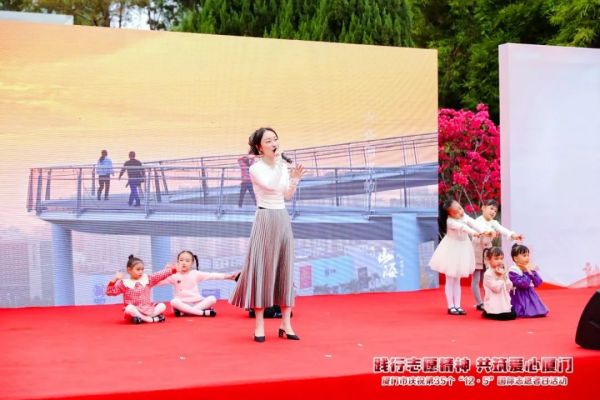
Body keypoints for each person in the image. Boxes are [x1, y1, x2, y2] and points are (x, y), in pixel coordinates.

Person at [229, 127, 305, 342]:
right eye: (269, 140)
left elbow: (286, 194)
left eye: (275, 139)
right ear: (259, 147)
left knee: (284, 268)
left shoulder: (282, 166)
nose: (274, 143)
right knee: (262, 269)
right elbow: (271, 185)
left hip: (282, 217)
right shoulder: (256, 168)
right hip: (264, 218)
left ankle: (286, 324)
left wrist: (295, 179)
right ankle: (259, 325)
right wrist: (281, 165)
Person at [429, 199, 493, 315]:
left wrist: (486, 231)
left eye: (460, 208)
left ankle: (458, 305)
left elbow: (474, 223)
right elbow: (463, 227)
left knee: (457, 279)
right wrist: (474, 233)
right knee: (450, 279)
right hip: (451, 250)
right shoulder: (450, 222)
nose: (460, 211)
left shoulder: (464, 216)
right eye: (456, 211)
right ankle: (451, 306)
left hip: (462, 249)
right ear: (450, 214)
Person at [472, 199, 523, 310]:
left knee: (489, 276)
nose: (493, 212)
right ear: (483, 208)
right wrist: (487, 233)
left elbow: (503, 230)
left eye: (495, 210)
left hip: (488, 252)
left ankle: (489, 301)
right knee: (476, 278)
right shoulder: (477, 221)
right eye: (491, 208)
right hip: (477, 251)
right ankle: (479, 303)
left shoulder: (494, 223)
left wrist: (513, 235)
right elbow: (478, 232)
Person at [159, 250, 239, 317]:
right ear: (178, 262)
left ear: (192, 263)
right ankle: (201, 313)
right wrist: (165, 272)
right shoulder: (174, 275)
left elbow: (211, 275)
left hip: (197, 302)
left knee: (212, 299)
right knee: (174, 302)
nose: (184, 263)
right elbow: (158, 283)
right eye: (181, 260)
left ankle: (187, 312)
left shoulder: (195, 274)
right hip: (182, 303)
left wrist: (228, 277)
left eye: (187, 261)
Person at [105, 255, 176, 324]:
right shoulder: (124, 283)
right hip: (134, 311)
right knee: (129, 308)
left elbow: (159, 274)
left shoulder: (148, 279)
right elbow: (109, 292)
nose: (141, 272)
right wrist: (115, 279)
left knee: (162, 306)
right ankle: (151, 319)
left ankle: (143, 318)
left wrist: (173, 270)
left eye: (142, 269)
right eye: (138, 269)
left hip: (147, 309)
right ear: (129, 270)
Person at [508, 243, 549, 318]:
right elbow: (523, 284)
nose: (527, 258)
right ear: (515, 258)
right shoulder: (513, 270)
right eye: (524, 256)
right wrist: (526, 272)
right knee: (523, 310)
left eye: (528, 255)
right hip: (519, 295)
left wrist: (531, 272)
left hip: (530, 293)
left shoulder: (528, 268)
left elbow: (538, 282)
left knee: (538, 310)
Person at [482, 247, 516, 320]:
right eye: (496, 259)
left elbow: (509, 287)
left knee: (513, 314)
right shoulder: (488, 273)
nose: (499, 261)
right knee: (505, 316)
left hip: (504, 302)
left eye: (501, 259)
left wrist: (504, 277)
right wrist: (500, 278)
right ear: (488, 260)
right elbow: (496, 289)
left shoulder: (502, 271)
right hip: (493, 302)